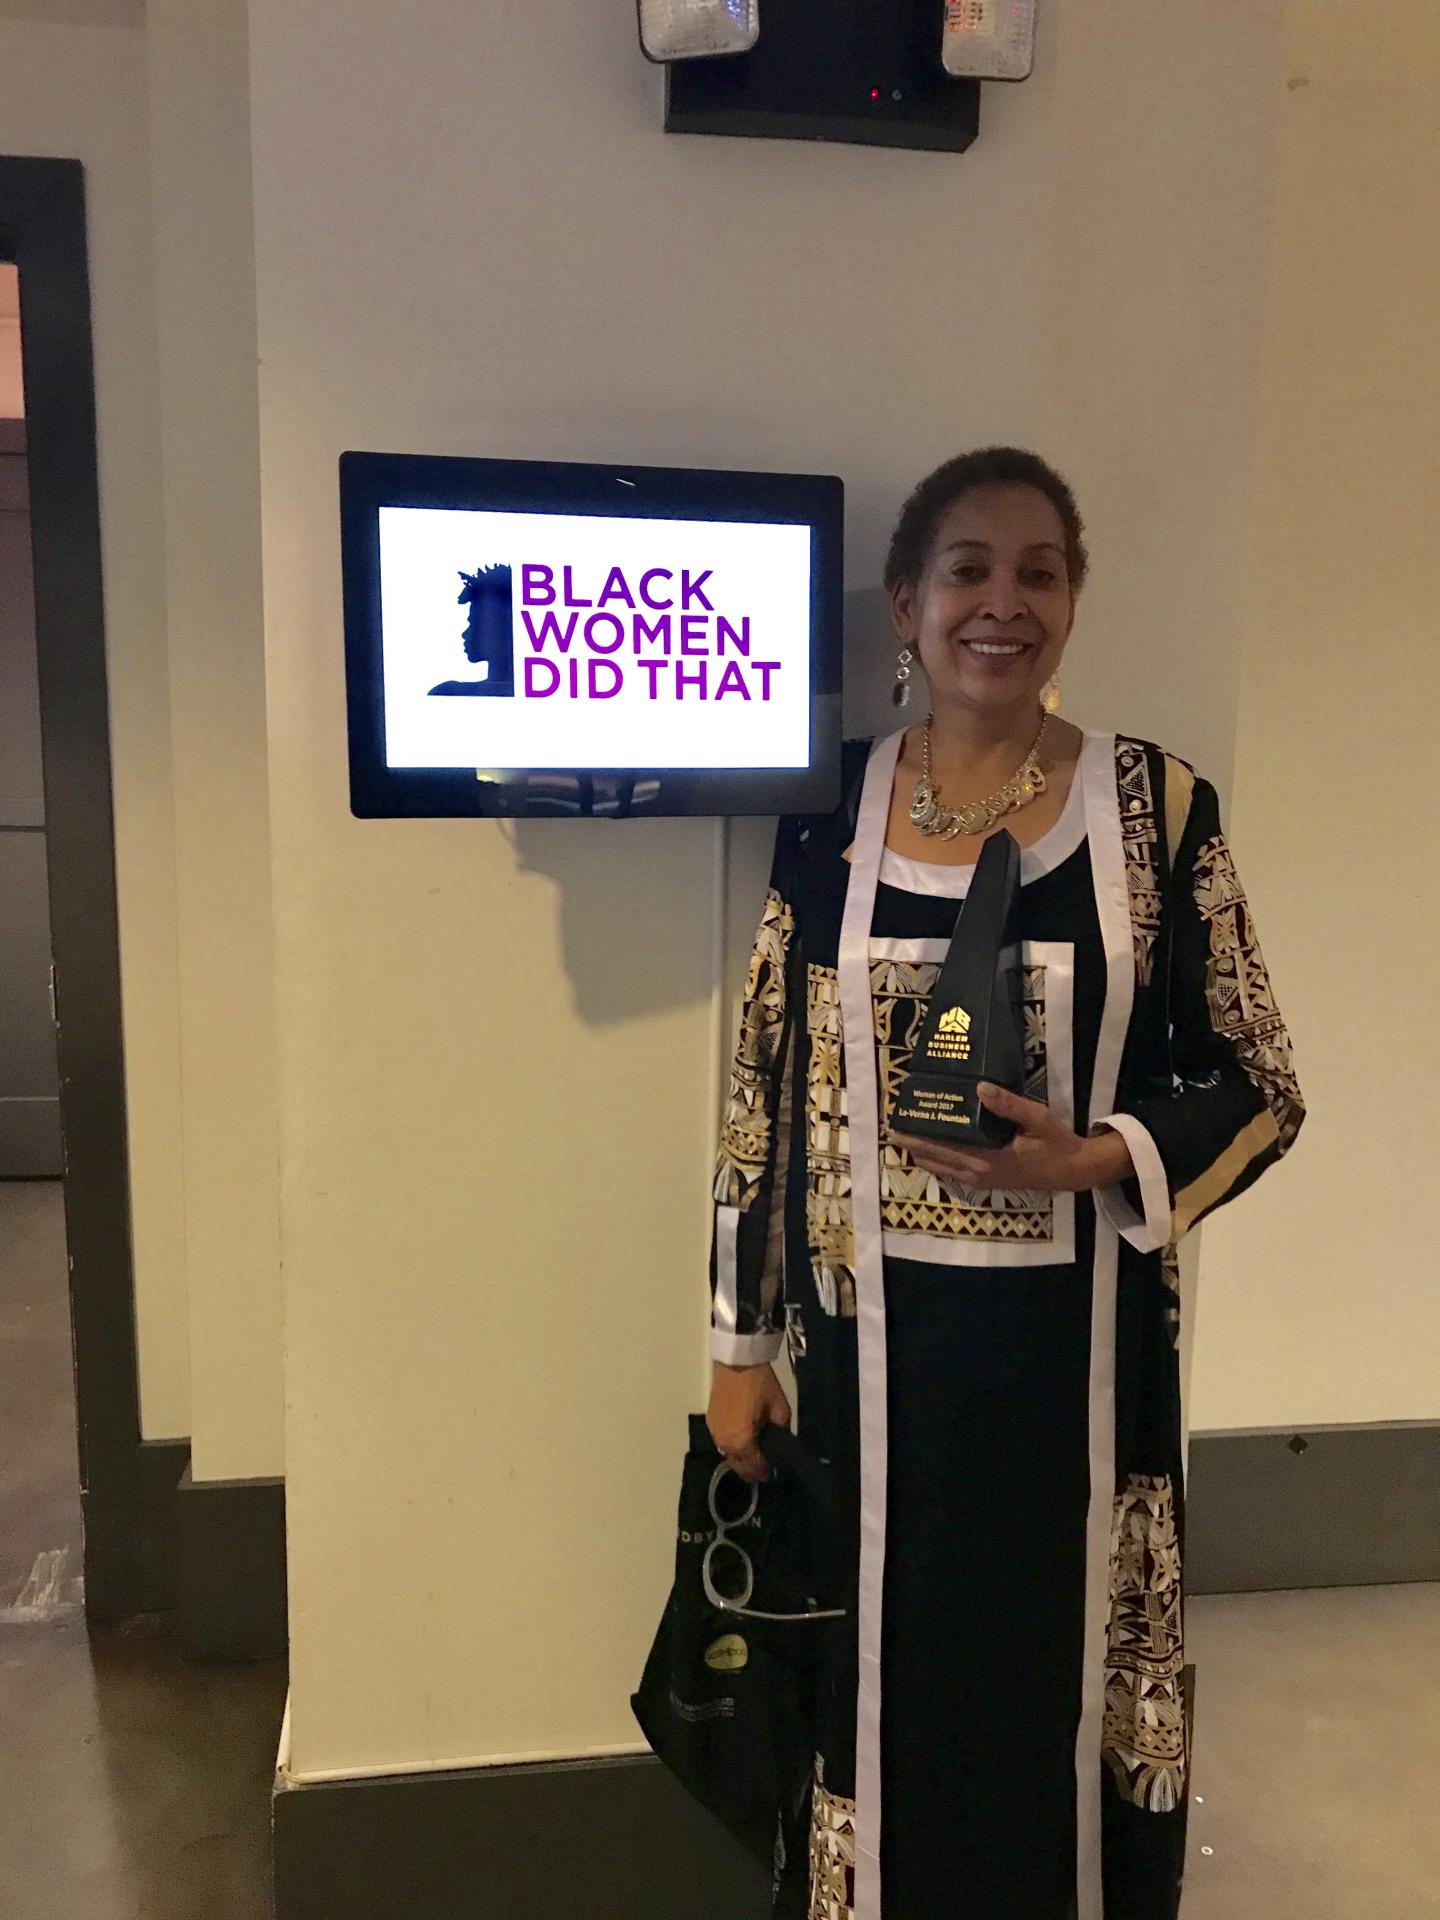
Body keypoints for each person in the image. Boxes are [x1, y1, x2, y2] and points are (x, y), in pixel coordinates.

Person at [705, 447, 1304, 1920]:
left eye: (1040, 571)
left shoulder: (1155, 815)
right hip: (863, 1379)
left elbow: (1261, 1080)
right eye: (968, 570)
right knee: (872, 1692)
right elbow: (762, 1090)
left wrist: (1096, 1154)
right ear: (907, 606)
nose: (1004, 603)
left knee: (1056, 1704)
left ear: (1074, 601)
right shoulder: (826, 814)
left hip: (1078, 1381)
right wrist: (738, 1345)